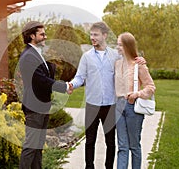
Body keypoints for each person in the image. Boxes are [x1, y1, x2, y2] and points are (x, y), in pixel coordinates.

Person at [69, 22, 145, 169]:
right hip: (92, 104)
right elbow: (80, 77)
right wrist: (72, 84)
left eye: (95, 35)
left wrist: (139, 59)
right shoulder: (86, 57)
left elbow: (130, 61)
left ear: (104, 35)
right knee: (90, 140)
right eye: (91, 35)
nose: (92, 38)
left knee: (111, 142)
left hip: (111, 105)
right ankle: (89, 167)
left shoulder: (116, 56)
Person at [18, 21, 71, 169]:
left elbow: (45, 76)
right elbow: (41, 80)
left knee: (38, 146)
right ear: (31, 36)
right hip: (34, 107)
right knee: (31, 146)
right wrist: (65, 86)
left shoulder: (36, 53)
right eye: (41, 34)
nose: (45, 37)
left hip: (41, 105)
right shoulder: (28, 56)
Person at [114, 32, 155, 169]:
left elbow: (150, 87)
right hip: (118, 107)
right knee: (122, 146)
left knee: (134, 146)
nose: (117, 47)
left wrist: (137, 94)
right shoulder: (116, 63)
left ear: (127, 46)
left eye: (120, 45)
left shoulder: (139, 65)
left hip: (133, 108)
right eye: (117, 44)